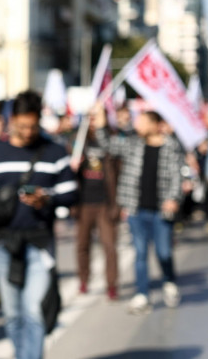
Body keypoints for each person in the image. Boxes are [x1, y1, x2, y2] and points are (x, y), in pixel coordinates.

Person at [0, 90, 77, 359]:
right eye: (22, 126)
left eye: (33, 126)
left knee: (33, 309)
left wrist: (47, 199)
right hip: (3, 244)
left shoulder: (55, 150)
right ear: (12, 120)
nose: (27, 132)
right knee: (12, 314)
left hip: (39, 242)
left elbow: (71, 193)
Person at [94, 109, 184, 314]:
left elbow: (177, 176)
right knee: (140, 253)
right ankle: (142, 294)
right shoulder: (134, 144)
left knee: (163, 252)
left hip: (162, 210)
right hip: (136, 208)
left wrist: (173, 198)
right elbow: (108, 145)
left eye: (142, 122)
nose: (137, 125)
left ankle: (169, 281)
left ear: (154, 124)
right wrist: (100, 124)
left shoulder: (171, 146)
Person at [72, 113, 119, 301]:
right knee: (83, 245)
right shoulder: (78, 142)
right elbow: (70, 171)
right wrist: (74, 165)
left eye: (96, 119)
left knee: (109, 246)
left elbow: (118, 172)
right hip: (83, 203)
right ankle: (84, 280)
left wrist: (117, 204)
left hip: (104, 203)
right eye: (90, 120)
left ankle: (112, 285)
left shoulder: (109, 142)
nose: (93, 123)